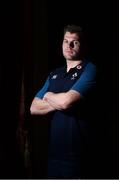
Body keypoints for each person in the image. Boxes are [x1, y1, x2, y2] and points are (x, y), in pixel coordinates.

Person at [30, 24, 97, 178]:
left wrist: (48, 96)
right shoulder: (55, 74)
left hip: (79, 157)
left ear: (82, 45)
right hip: (54, 156)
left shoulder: (89, 69)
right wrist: (59, 100)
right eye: (66, 41)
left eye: (75, 42)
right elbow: (33, 107)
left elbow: (66, 102)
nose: (69, 45)